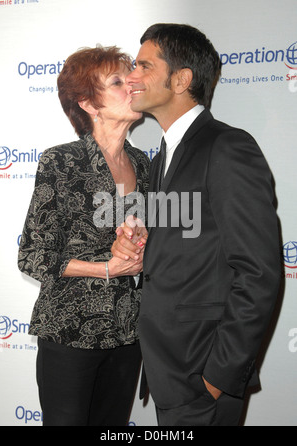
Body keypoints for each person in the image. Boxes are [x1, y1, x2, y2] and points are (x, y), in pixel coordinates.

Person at [112, 24, 281, 426]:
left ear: (181, 79)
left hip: (200, 375)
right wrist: (136, 243)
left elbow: (259, 273)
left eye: (144, 66)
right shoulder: (160, 159)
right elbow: (185, 245)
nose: (131, 77)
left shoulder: (227, 147)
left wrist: (216, 378)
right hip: (166, 368)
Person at [18, 45, 150, 426]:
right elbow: (31, 255)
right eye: (116, 81)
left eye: (131, 77)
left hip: (127, 333)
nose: (133, 86)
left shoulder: (144, 162)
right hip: (68, 332)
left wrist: (140, 245)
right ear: (88, 103)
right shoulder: (60, 161)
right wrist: (106, 268)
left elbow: (146, 235)